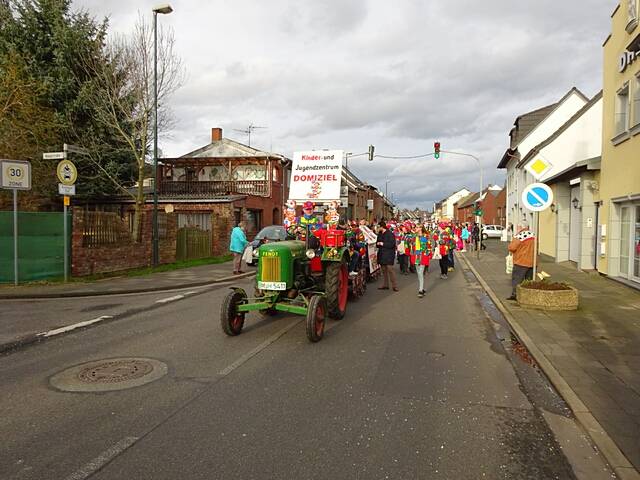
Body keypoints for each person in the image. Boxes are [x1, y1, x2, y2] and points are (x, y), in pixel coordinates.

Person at [507, 225, 536, 300]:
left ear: (520, 227)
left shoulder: (520, 236)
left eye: (517, 227)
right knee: (529, 281)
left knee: (517, 280)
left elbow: (511, 247)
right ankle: (528, 296)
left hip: (521, 262)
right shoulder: (534, 235)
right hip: (533, 262)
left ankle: (516, 295)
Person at [410, 225, 432, 298]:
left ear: (420, 228)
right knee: (419, 273)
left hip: (423, 256)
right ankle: (422, 288)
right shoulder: (414, 236)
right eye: (415, 227)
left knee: (421, 272)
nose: (416, 228)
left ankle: (420, 290)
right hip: (416, 256)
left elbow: (429, 246)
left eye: (417, 227)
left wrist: (428, 254)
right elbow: (411, 245)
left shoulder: (426, 236)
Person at [376, 221, 398, 291]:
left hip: (389, 254)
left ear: (382, 227)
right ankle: (385, 285)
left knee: (390, 270)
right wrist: (378, 243)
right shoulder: (379, 234)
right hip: (382, 254)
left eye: (378, 227)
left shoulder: (390, 234)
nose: (377, 228)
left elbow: (392, 244)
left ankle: (394, 286)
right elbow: (377, 244)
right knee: (383, 270)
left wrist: (383, 244)